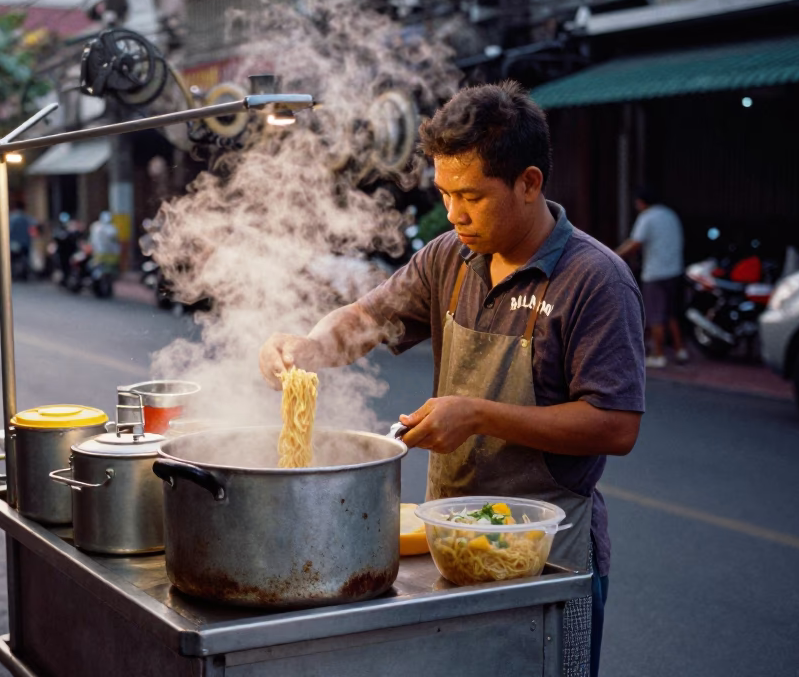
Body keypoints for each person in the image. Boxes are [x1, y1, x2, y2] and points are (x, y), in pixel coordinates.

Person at [258, 82, 645, 677]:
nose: (455, 214)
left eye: (472, 196)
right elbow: (366, 319)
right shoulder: (448, 257)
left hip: (548, 553)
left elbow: (615, 425)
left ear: (529, 182)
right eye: (444, 193)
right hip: (451, 538)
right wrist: (309, 345)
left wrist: (479, 415)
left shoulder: (594, 280)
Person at [616, 189, 688, 368]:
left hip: (655, 272)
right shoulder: (670, 214)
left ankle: (659, 354)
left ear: (641, 202)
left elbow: (635, 243)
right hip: (675, 270)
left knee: (655, 315)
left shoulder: (647, 217)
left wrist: (613, 256)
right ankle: (680, 350)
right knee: (671, 313)